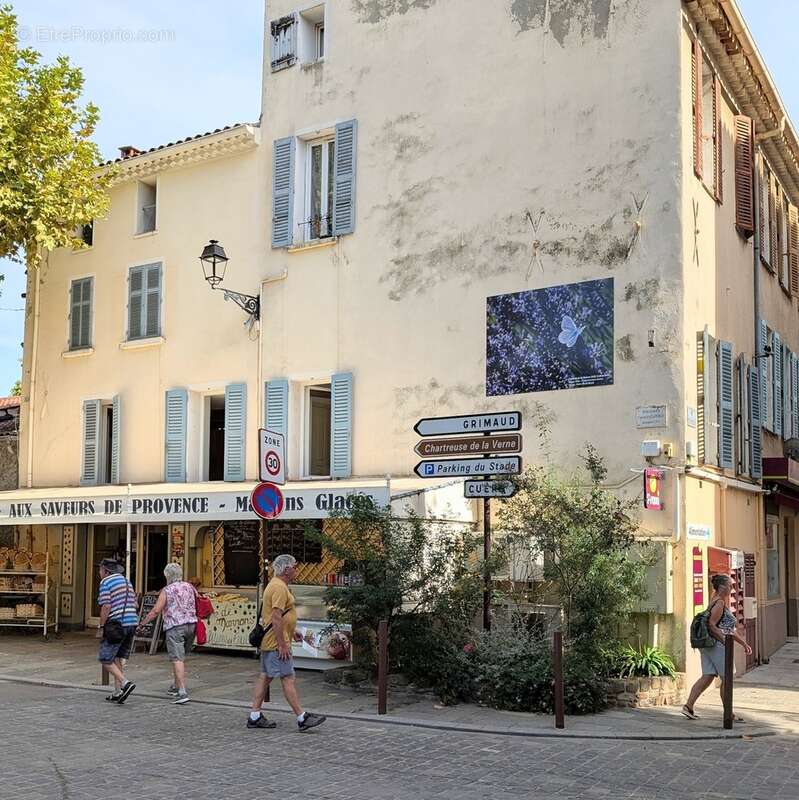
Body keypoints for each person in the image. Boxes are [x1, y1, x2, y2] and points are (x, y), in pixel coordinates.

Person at [248, 554, 326, 731]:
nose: (297, 569)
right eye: (295, 566)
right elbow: (276, 617)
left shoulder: (277, 585)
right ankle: (301, 717)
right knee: (288, 677)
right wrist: (283, 644)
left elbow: (279, 616)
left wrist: (293, 631)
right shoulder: (279, 588)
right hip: (276, 644)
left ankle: (254, 716)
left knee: (266, 676)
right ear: (286, 569)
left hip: (273, 641)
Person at [682, 573, 753, 721]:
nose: (732, 588)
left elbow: (727, 629)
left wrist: (743, 643)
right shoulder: (719, 603)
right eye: (729, 585)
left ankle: (688, 706)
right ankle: (729, 714)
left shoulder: (714, 599)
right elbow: (712, 625)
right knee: (727, 678)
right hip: (716, 646)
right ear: (722, 587)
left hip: (707, 645)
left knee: (708, 676)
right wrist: (724, 642)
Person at [138, 562, 198, 705]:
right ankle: (176, 685)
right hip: (192, 625)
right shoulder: (189, 586)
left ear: (167, 576)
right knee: (180, 657)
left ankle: (182, 692)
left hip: (175, 626)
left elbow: (156, 611)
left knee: (177, 659)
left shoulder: (167, 590)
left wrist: (142, 623)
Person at [97, 558, 138, 704]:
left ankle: (125, 683)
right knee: (117, 657)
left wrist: (101, 626)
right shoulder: (126, 581)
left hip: (117, 625)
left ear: (106, 571)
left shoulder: (106, 582)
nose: (99, 572)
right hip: (132, 622)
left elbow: (106, 606)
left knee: (105, 658)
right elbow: (135, 603)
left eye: (100, 569)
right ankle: (117, 691)